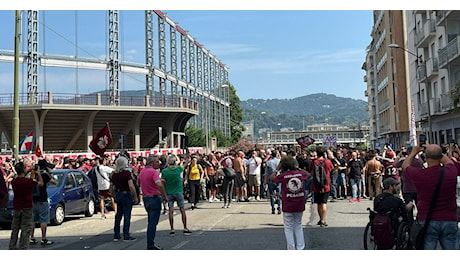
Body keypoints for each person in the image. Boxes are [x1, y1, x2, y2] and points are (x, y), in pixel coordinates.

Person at [402, 144, 459, 250]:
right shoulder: (451, 171)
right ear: (440, 157)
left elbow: (405, 166)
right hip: (449, 218)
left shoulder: (420, 174)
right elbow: (449, 161)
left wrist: (414, 153)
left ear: (426, 158)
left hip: (427, 219)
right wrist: (436, 151)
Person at [270, 155, 309, 250]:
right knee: (298, 225)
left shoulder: (283, 176)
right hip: (299, 203)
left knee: (288, 227)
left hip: (288, 204)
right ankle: (300, 247)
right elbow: (308, 175)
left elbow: (272, 178)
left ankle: (291, 248)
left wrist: (277, 169)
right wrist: (298, 168)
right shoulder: (300, 174)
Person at [9, 161, 43, 250]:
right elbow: (40, 183)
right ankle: (22, 247)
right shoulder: (28, 182)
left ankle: (12, 246)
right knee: (25, 228)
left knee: (15, 228)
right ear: (24, 169)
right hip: (27, 207)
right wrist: (38, 174)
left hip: (17, 206)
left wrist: (29, 170)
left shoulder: (14, 182)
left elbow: (20, 176)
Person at [138, 154, 168, 250]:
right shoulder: (153, 172)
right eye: (156, 162)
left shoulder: (142, 171)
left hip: (146, 198)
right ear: (151, 163)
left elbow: (138, 183)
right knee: (153, 223)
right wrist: (164, 195)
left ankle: (150, 242)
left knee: (150, 221)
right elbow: (159, 184)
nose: (158, 163)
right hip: (154, 198)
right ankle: (150, 244)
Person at [161, 155, 191, 237]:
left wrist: (163, 194)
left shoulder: (164, 171)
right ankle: (185, 227)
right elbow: (185, 164)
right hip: (178, 191)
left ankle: (172, 229)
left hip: (169, 192)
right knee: (182, 210)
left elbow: (162, 183)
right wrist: (186, 158)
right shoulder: (178, 169)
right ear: (175, 162)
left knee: (171, 210)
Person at [111, 156, 138, 242]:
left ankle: (116, 234)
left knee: (118, 214)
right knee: (127, 215)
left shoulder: (114, 174)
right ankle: (126, 234)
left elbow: (111, 186)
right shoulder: (126, 173)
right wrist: (135, 196)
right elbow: (131, 185)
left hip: (119, 194)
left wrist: (113, 195)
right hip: (126, 194)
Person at [29, 159, 57, 246]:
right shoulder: (45, 175)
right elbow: (55, 182)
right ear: (45, 167)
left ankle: (32, 238)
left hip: (33, 199)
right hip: (42, 199)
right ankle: (43, 238)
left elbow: (30, 181)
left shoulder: (33, 175)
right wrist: (50, 173)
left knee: (33, 220)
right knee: (43, 219)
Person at [310, 146, 333, 227]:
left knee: (318, 203)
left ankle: (320, 219)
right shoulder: (327, 162)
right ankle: (323, 220)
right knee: (324, 202)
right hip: (326, 184)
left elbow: (311, 171)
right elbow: (331, 170)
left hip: (316, 185)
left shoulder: (314, 162)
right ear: (324, 153)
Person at [264, 150, 281, 214]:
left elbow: (266, 173)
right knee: (278, 194)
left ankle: (273, 208)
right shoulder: (279, 161)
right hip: (278, 179)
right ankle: (279, 207)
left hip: (270, 179)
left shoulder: (268, 162)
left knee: (271, 194)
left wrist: (265, 182)